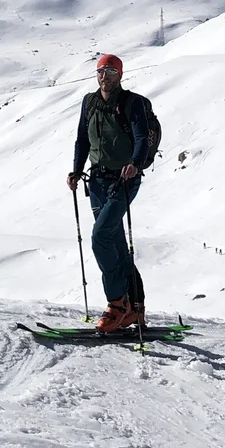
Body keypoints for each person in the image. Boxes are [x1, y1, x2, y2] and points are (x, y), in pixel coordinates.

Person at [65, 54, 154, 333]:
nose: (105, 76)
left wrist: (135, 163)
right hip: (98, 182)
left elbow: (141, 138)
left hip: (124, 181)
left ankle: (116, 304)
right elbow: (82, 138)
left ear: (120, 75)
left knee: (101, 236)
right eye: (101, 71)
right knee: (114, 242)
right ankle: (135, 308)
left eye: (111, 71)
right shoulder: (89, 102)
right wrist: (76, 170)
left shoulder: (132, 102)